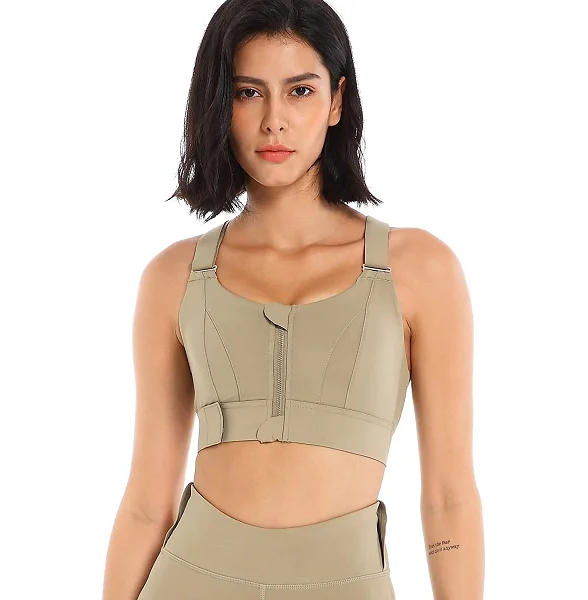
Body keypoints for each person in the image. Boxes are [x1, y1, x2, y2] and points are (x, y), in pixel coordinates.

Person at [102, 1, 484, 598]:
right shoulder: (173, 277)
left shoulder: (419, 269)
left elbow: (448, 498)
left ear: (336, 101)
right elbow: (147, 505)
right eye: (248, 92)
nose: (274, 120)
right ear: (218, 104)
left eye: (300, 90)